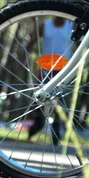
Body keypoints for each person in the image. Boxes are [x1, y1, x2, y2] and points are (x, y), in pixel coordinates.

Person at [26, 17, 73, 145]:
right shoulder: (46, 25)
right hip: (45, 68)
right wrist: (26, 52)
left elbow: (81, 44)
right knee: (40, 98)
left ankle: (56, 131)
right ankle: (37, 123)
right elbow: (32, 40)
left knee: (60, 102)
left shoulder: (71, 26)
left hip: (63, 69)